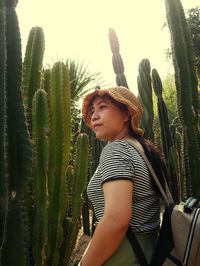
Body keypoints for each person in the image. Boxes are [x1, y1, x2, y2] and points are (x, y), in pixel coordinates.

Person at [79, 86, 166, 266]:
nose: (94, 115)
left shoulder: (116, 150)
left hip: (122, 256)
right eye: (92, 110)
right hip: (148, 253)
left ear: (126, 114)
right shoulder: (143, 149)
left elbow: (116, 219)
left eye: (102, 107)